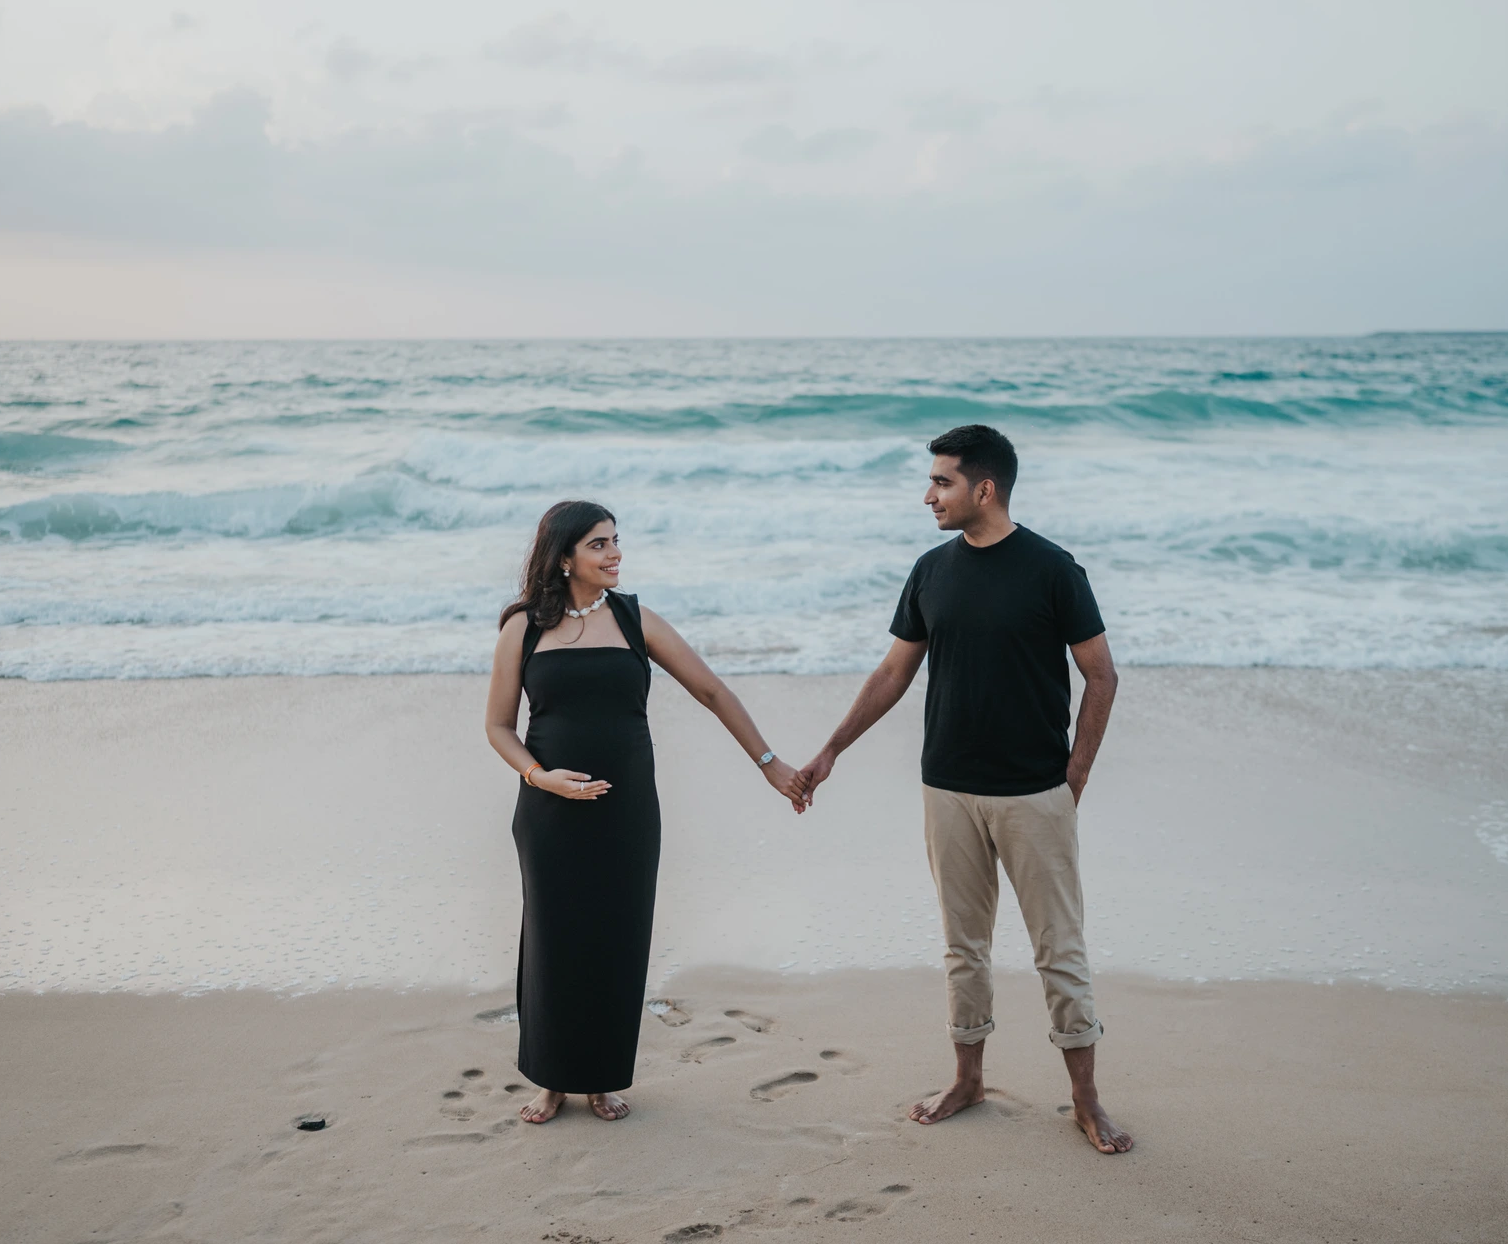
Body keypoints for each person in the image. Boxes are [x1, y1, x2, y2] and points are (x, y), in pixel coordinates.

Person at [789, 425, 1132, 1154]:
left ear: (985, 488)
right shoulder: (930, 570)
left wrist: (1073, 779)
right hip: (946, 789)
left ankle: (1085, 1098)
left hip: (1034, 794)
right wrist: (830, 750)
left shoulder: (1052, 570)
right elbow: (892, 674)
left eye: (942, 481)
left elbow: (1100, 674)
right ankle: (968, 1079)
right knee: (963, 948)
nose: (928, 494)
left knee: (1059, 951)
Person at [485, 499, 801, 1124]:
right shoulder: (523, 627)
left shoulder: (635, 620)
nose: (615, 554)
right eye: (599, 544)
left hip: (627, 812)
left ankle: (600, 1078)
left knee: (616, 940)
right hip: (549, 814)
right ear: (565, 555)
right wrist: (540, 777)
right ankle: (550, 1080)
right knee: (552, 941)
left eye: (615, 541)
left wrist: (769, 763)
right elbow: (498, 726)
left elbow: (713, 690)